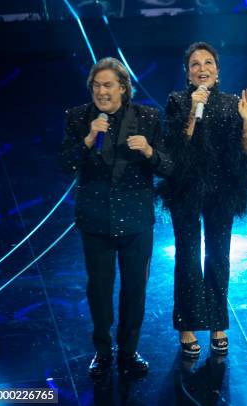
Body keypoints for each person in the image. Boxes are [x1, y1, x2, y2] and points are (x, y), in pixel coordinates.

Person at [158, 42, 247, 357]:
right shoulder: (177, 101)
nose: (202, 69)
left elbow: (245, 151)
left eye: (208, 63)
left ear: (218, 71)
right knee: (186, 255)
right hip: (185, 187)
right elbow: (173, 147)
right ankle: (186, 325)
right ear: (187, 72)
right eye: (195, 64)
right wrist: (193, 112)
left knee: (218, 256)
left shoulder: (231, 102)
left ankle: (217, 323)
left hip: (221, 190)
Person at [59, 57, 174, 376]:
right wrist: (87, 138)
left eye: (108, 85)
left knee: (135, 290)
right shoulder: (78, 117)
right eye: (96, 86)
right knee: (98, 289)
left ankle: (128, 351)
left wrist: (149, 151)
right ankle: (102, 351)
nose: (101, 91)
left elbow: (168, 166)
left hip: (136, 220)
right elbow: (65, 164)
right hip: (95, 221)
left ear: (123, 87)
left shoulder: (148, 117)